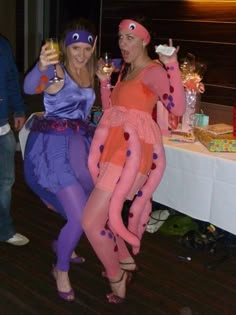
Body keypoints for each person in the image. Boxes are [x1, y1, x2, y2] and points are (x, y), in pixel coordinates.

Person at [82, 17, 186, 303]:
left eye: (129, 39)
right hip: (114, 150)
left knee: (91, 221)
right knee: (103, 216)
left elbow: (176, 106)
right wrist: (105, 84)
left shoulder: (152, 71)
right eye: (120, 38)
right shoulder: (127, 70)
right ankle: (124, 260)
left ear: (143, 41)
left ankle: (116, 277)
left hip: (130, 156)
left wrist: (172, 63)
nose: (122, 44)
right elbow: (113, 110)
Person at [23, 18, 97, 301]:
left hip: (80, 147)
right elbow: (31, 88)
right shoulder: (56, 71)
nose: (81, 54)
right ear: (65, 48)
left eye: (86, 48)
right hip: (54, 149)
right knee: (79, 215)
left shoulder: (90, 71)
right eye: (75, 48)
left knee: (85, 207)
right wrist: (41, 66)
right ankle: (61, 269)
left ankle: (64, 243)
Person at [0, 35, 29, 246]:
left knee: (6, 182)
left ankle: (4, 230)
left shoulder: (2, 44)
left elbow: (11, 78)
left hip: (2, 125)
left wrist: (19, 108)